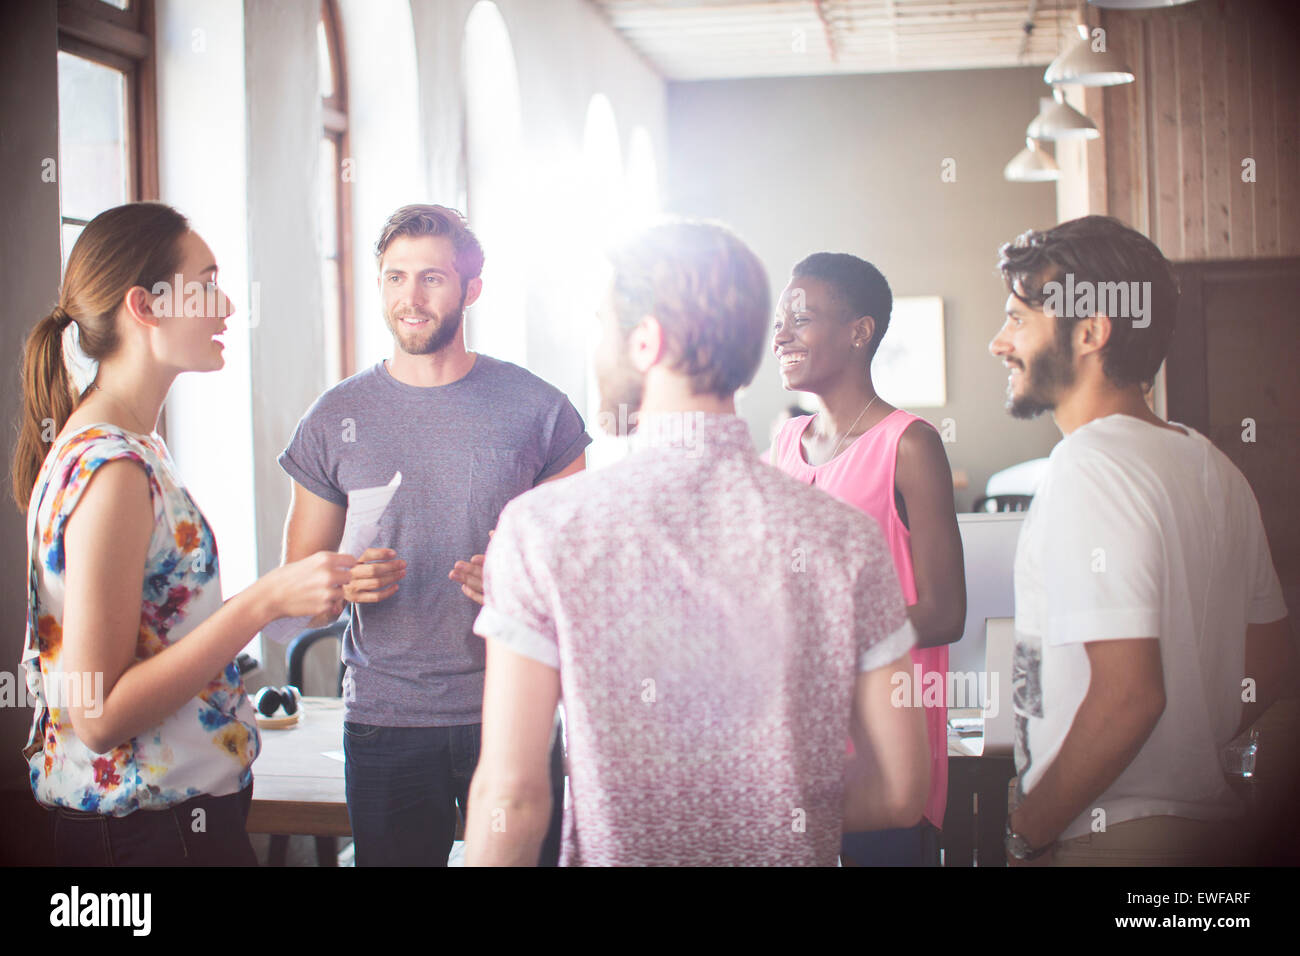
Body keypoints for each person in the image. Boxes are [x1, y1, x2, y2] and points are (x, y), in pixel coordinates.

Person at [464, 221, 930, 866]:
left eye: (603, 326)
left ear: (646, 342)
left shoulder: (544, 530)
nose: (597, 347)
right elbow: (903, 791)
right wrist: (766, 809)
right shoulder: (844, 539)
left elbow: (511, 800)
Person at [13, 202, 354, 866]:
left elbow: (152, 642)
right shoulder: (112, 468)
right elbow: (100, 715)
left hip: (164, 823)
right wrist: (263, 601)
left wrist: (279, 597)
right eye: (206, 281)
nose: (226, 304)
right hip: (146, 835)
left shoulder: (131, 446)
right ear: (144, 306)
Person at [278, 204, 589, 866]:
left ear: (472, 288)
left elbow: (581, 581)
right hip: (385, 720)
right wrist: (341, 581)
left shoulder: (540, 411)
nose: (409, 299)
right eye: (394, 278)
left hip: (516, 708)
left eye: (432, 279)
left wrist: (520, 584)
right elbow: (298, 590)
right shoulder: (335, 417)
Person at [989, 214, 1295, 866]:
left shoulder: (1089, 467)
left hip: (1114, 839)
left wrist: (1026, 830)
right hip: (1201, 833)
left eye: (1018, 319)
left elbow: (1130, 696)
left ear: (1091, 331)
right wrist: (1183, 746)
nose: (999, 342)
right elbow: (1269, 660)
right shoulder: (1210, 463)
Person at [770, 252, 966, 866]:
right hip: (800, 756)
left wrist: (819, 635)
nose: (780, 335)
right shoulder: (782, 442)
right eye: (779, 321)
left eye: (800, 320)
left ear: (860, 331)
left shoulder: (910, 444)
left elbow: (944, 612)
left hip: (885, 761)